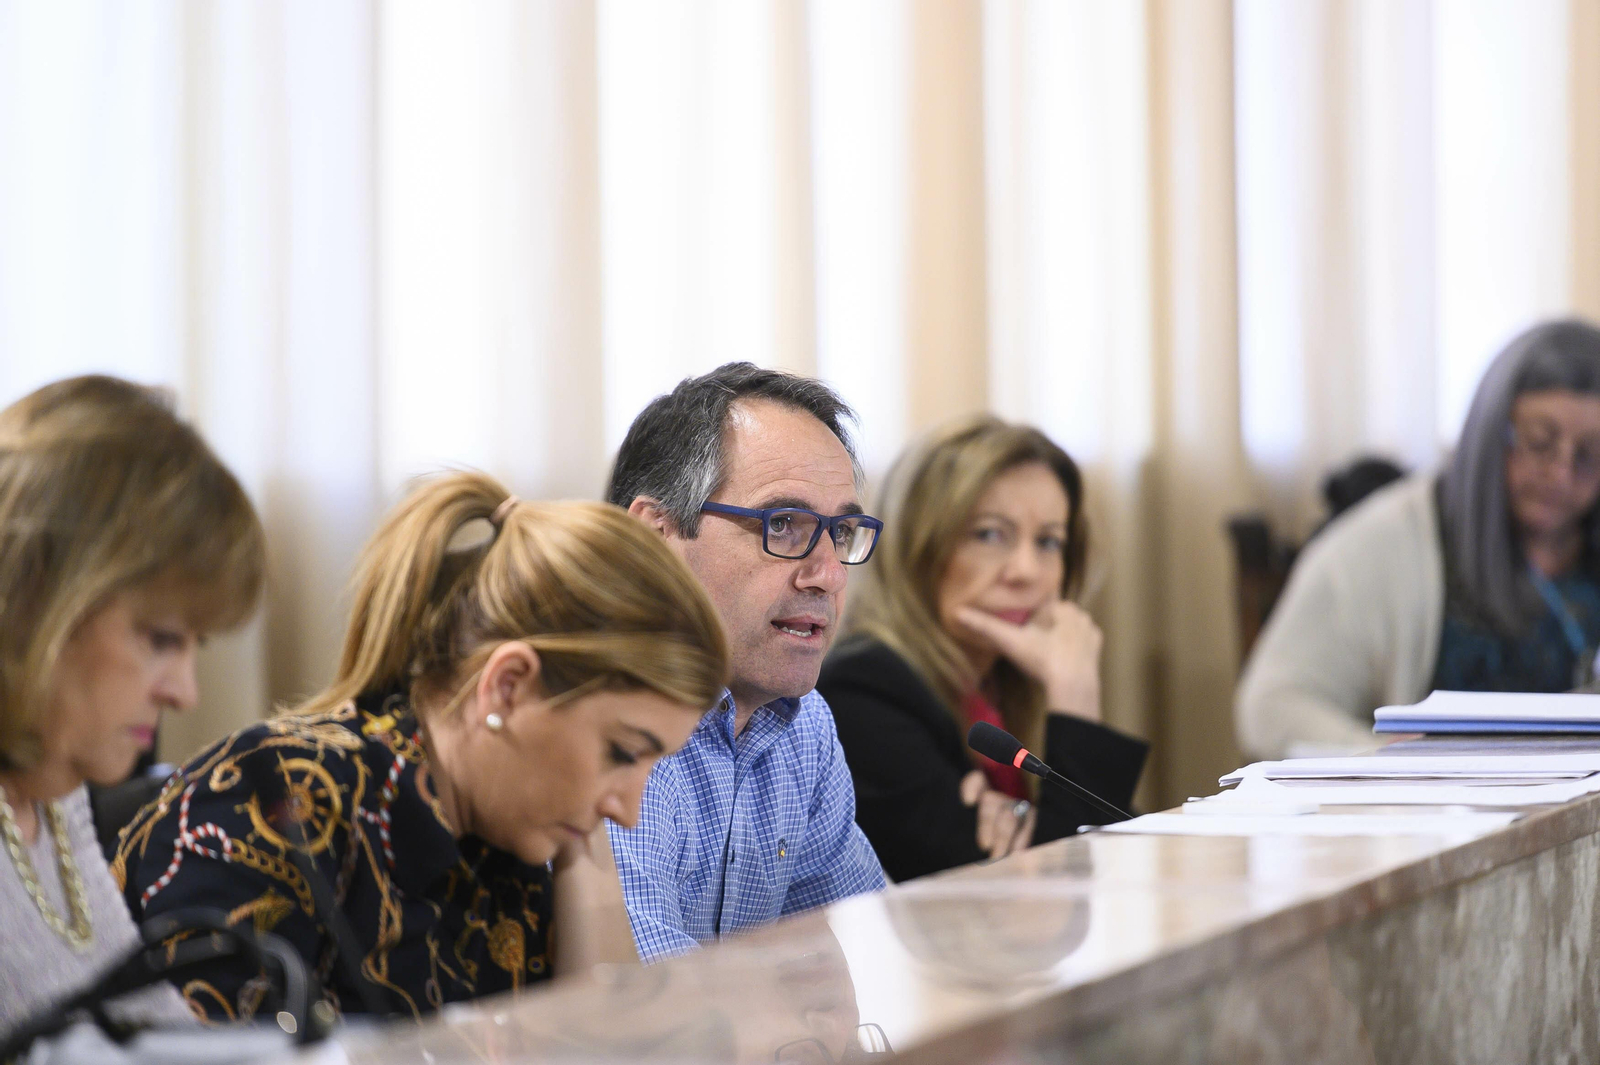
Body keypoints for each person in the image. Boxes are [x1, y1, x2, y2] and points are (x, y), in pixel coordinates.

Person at [116, 473, 730, 1020]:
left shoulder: (502, 838)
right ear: (507, 687)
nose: (629, 808)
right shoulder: (275, 803)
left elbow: (604, 1041)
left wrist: (580, 839)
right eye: (623, 752)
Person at [0, 375, 266, 1040]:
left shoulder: (54, 795)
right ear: (39, 593)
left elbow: (147, 1026)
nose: (184, 693)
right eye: (160, 639)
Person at [605, 362, 887, 961]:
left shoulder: (803, 726)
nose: (829, 575)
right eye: (783, 524)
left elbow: (866, 949)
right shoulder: (601, 711)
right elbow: (648, 1012)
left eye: (839, 533)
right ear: (655, 538)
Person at [1237, 318, 1600, 758]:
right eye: (1540, 442)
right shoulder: (1386, 544)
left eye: (1589, 453)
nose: (1563, 473)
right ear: (1491, 434)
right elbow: (1270, 707)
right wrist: (1380, 758)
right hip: (1443, 817)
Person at [817, 417, 1147, 882]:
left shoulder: (1003, 688)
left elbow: (1126, 855)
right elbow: (1058, 891)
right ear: (917, 548)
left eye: (1049, 541)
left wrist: (1024, 815)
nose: (1026, 571)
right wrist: (1075, 696)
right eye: (990, 534)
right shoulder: (864, 692)